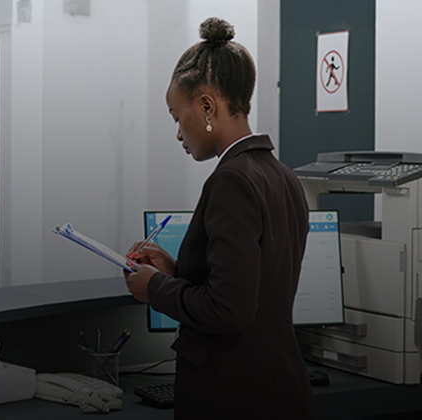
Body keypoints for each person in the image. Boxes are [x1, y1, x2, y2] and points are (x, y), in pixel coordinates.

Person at [123, 17, 314, 419]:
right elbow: (249, 289)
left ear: (207, 106)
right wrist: (176, 272)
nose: (178, 133)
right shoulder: (282, 176)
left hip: (233, 393)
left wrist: (155, 287)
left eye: (177, 117)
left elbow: (229, 310)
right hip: (280, 386)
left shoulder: (232, 181)